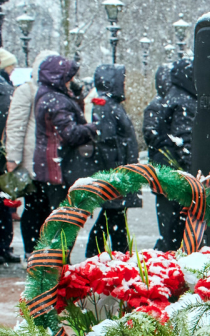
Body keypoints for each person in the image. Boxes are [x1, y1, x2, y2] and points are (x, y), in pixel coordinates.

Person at [33, 56, 97, 224]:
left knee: (54, 220)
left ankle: (55, 250)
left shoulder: (48, 95)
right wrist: (94, 128)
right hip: (59, 168)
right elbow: (71, 134)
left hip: (50, 165)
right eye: (70, 77)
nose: (72, 80)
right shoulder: (57, 101)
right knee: (63, 223)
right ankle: (59, 251)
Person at [5, 50, 56, 257]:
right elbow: (16, 124)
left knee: (48, 207)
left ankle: (44, 251)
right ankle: (31, 252)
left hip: (51, 160)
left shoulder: (55, 91)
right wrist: (13, 157)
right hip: (32, 159)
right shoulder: (27, 90)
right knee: (34, 206)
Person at [86, 64, 139, 257]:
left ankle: (116, 252)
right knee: (114, 215)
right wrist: (116, 175)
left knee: (114, 215)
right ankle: (117, 253)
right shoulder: (106, 105)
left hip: (118, 168)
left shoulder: (109, 104)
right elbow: (107, 142)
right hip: (117, 170)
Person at [147, 58, 197, 251]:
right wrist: (192, 172)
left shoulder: (174, 96)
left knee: (169, 229)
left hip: (165, 170)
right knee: (174, 232)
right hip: (173, 173)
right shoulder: (184, 101)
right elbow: (185, 140)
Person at [0, 49, 17, 262]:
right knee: (3, 201)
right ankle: (4, 245)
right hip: (2, 152)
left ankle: (3, 247)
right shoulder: (5, 89)